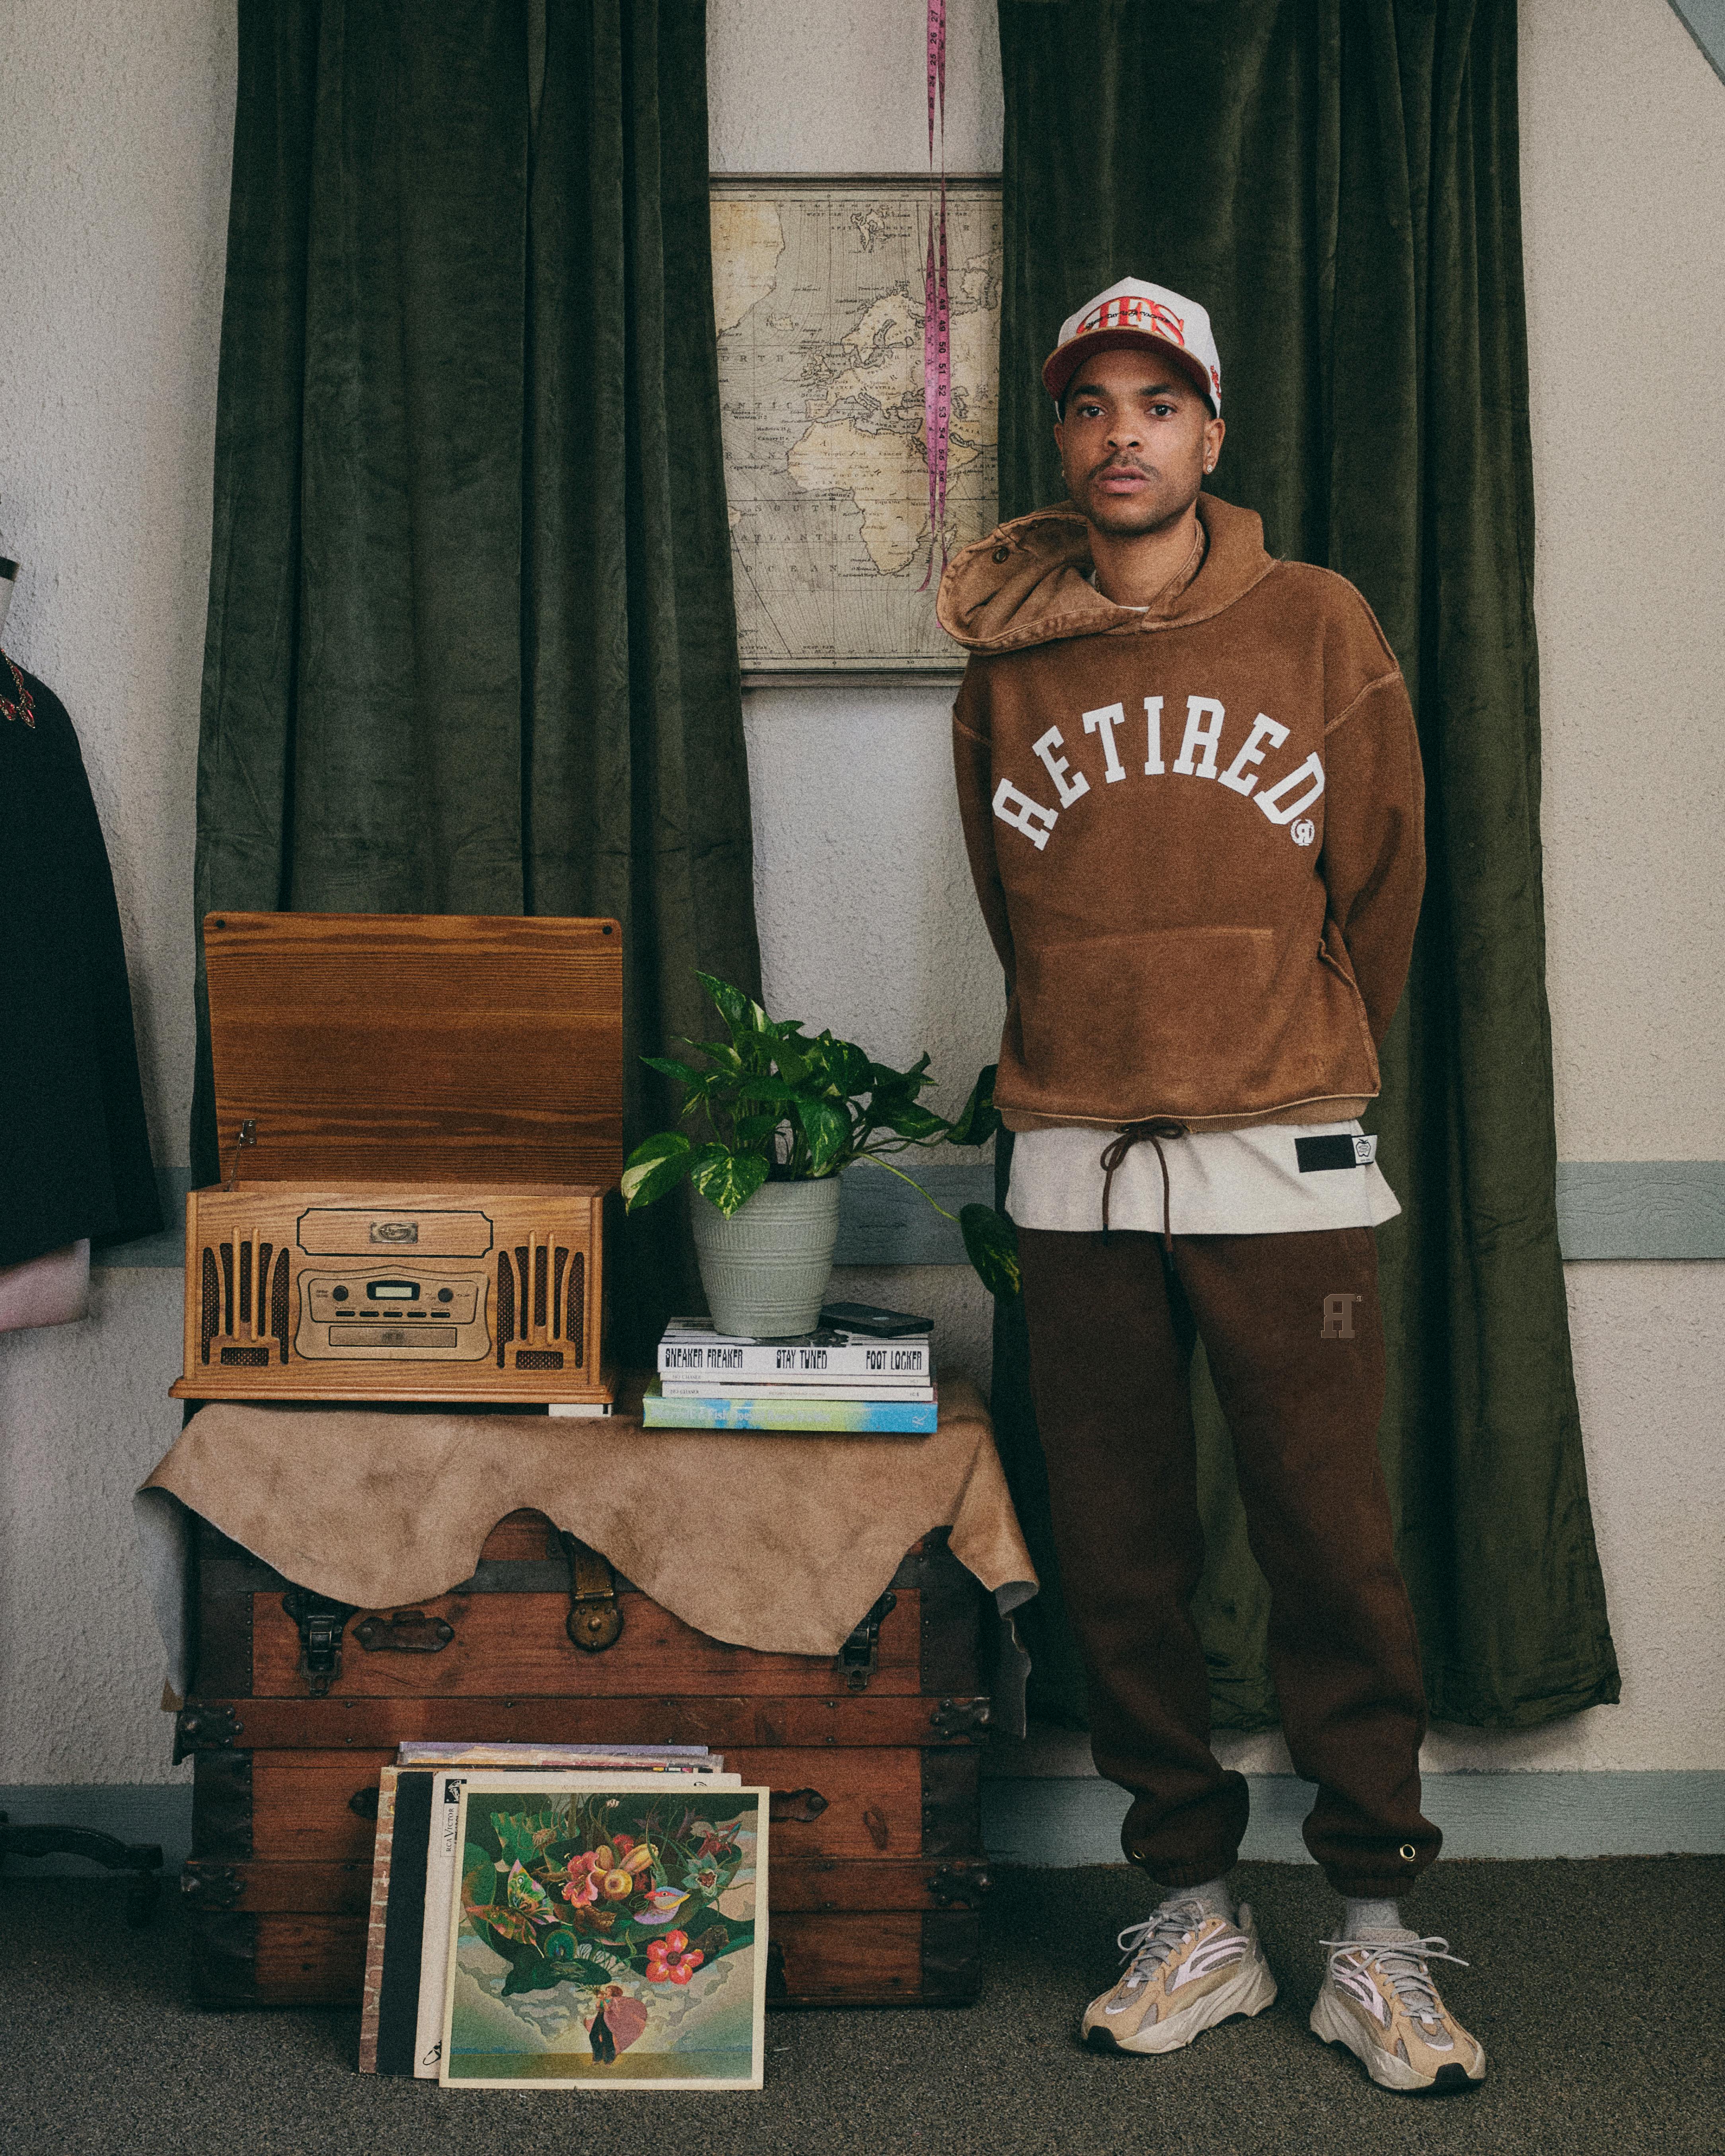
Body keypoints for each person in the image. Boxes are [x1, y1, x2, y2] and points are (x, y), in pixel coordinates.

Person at [939, 276, 1484, 2094]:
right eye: (1088, 406)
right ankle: (1190, 1904)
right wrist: (1102, 1036)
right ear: (1065, 437)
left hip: (1288, 1158)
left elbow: (1387, 875)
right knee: (1119, 1553)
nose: (1119, 435)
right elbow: (1009, 895)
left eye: (1154, 405)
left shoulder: (1319, 622)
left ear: (1210, 432)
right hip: (1076, 1160)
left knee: (1334, 1542)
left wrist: (1282, 1033)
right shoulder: (1009, 654)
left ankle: (1378, 1935)